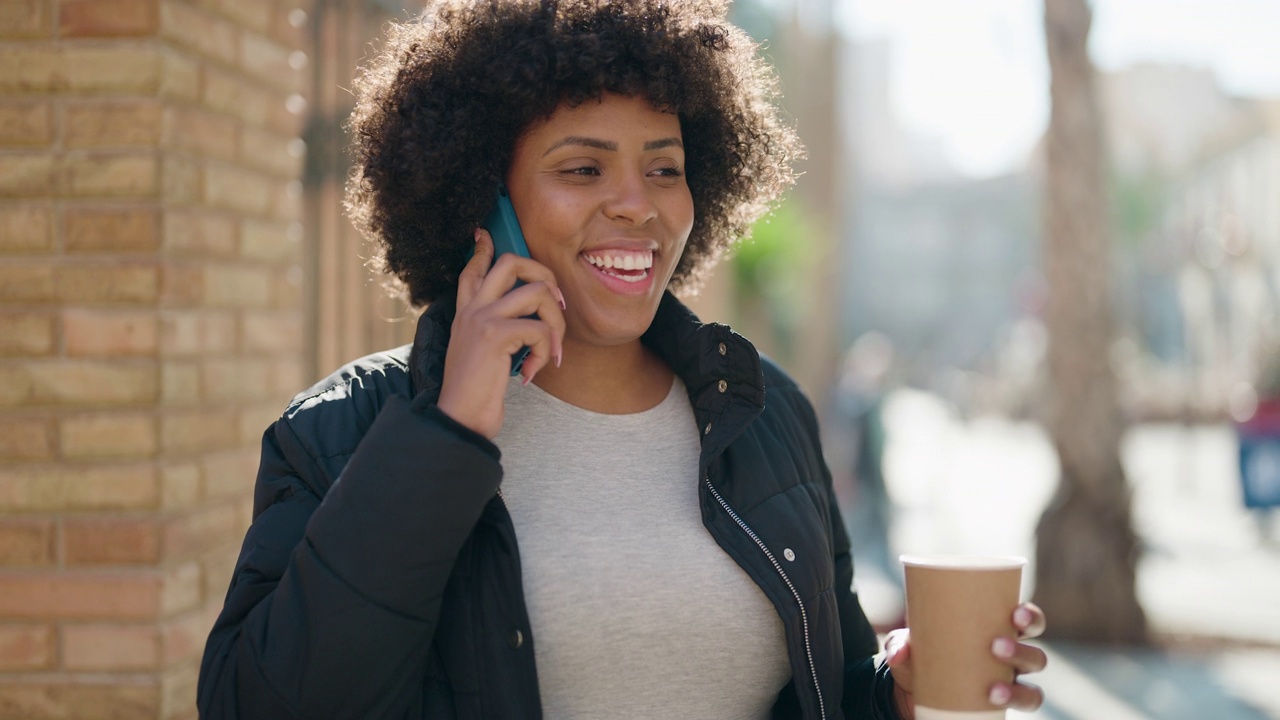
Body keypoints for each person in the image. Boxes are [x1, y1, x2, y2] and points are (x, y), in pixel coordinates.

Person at [197, 1, 1047, 718]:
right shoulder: (342, 434)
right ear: (482, 195)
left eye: (664, 168)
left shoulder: (763, 413)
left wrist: (890, 692)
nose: (637, 206)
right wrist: (446, 431)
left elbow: (815, 693)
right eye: (582, 166)